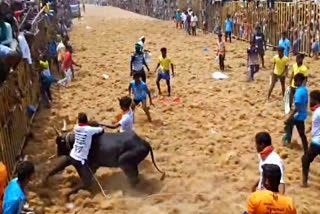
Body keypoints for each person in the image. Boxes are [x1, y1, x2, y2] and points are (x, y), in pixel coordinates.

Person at [283, 73, 309, 153]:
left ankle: (287, 141)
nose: (294, 82)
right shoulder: (304, 90)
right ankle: (306, 148)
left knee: (288, 125)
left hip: (297, 115)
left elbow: (296, 108)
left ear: (299, 81)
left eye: (295, 81)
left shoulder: (298, 93)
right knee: (302, 134)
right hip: (303, 115)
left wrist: (289, 117)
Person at [302, 90, 320, 187]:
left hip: (317, 143)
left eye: (311, 99)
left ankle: (304, 182)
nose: (310, 101)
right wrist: (310, 128)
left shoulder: (318, 111)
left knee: (305, 159)